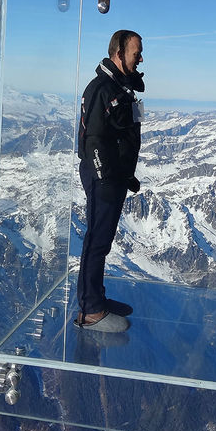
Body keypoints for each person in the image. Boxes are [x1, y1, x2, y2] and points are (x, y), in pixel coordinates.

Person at [74, 29, 144, 332]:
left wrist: (125, 175)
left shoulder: (117, 86)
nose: (140, 58)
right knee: (96, 241)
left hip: (113, 176)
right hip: (103, 176)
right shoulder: (102, 88)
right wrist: (105, 179)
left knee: (102, 241)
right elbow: (93, 140)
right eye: (135, 53)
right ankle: (90, 309)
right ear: (118, 53)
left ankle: (97, 298)